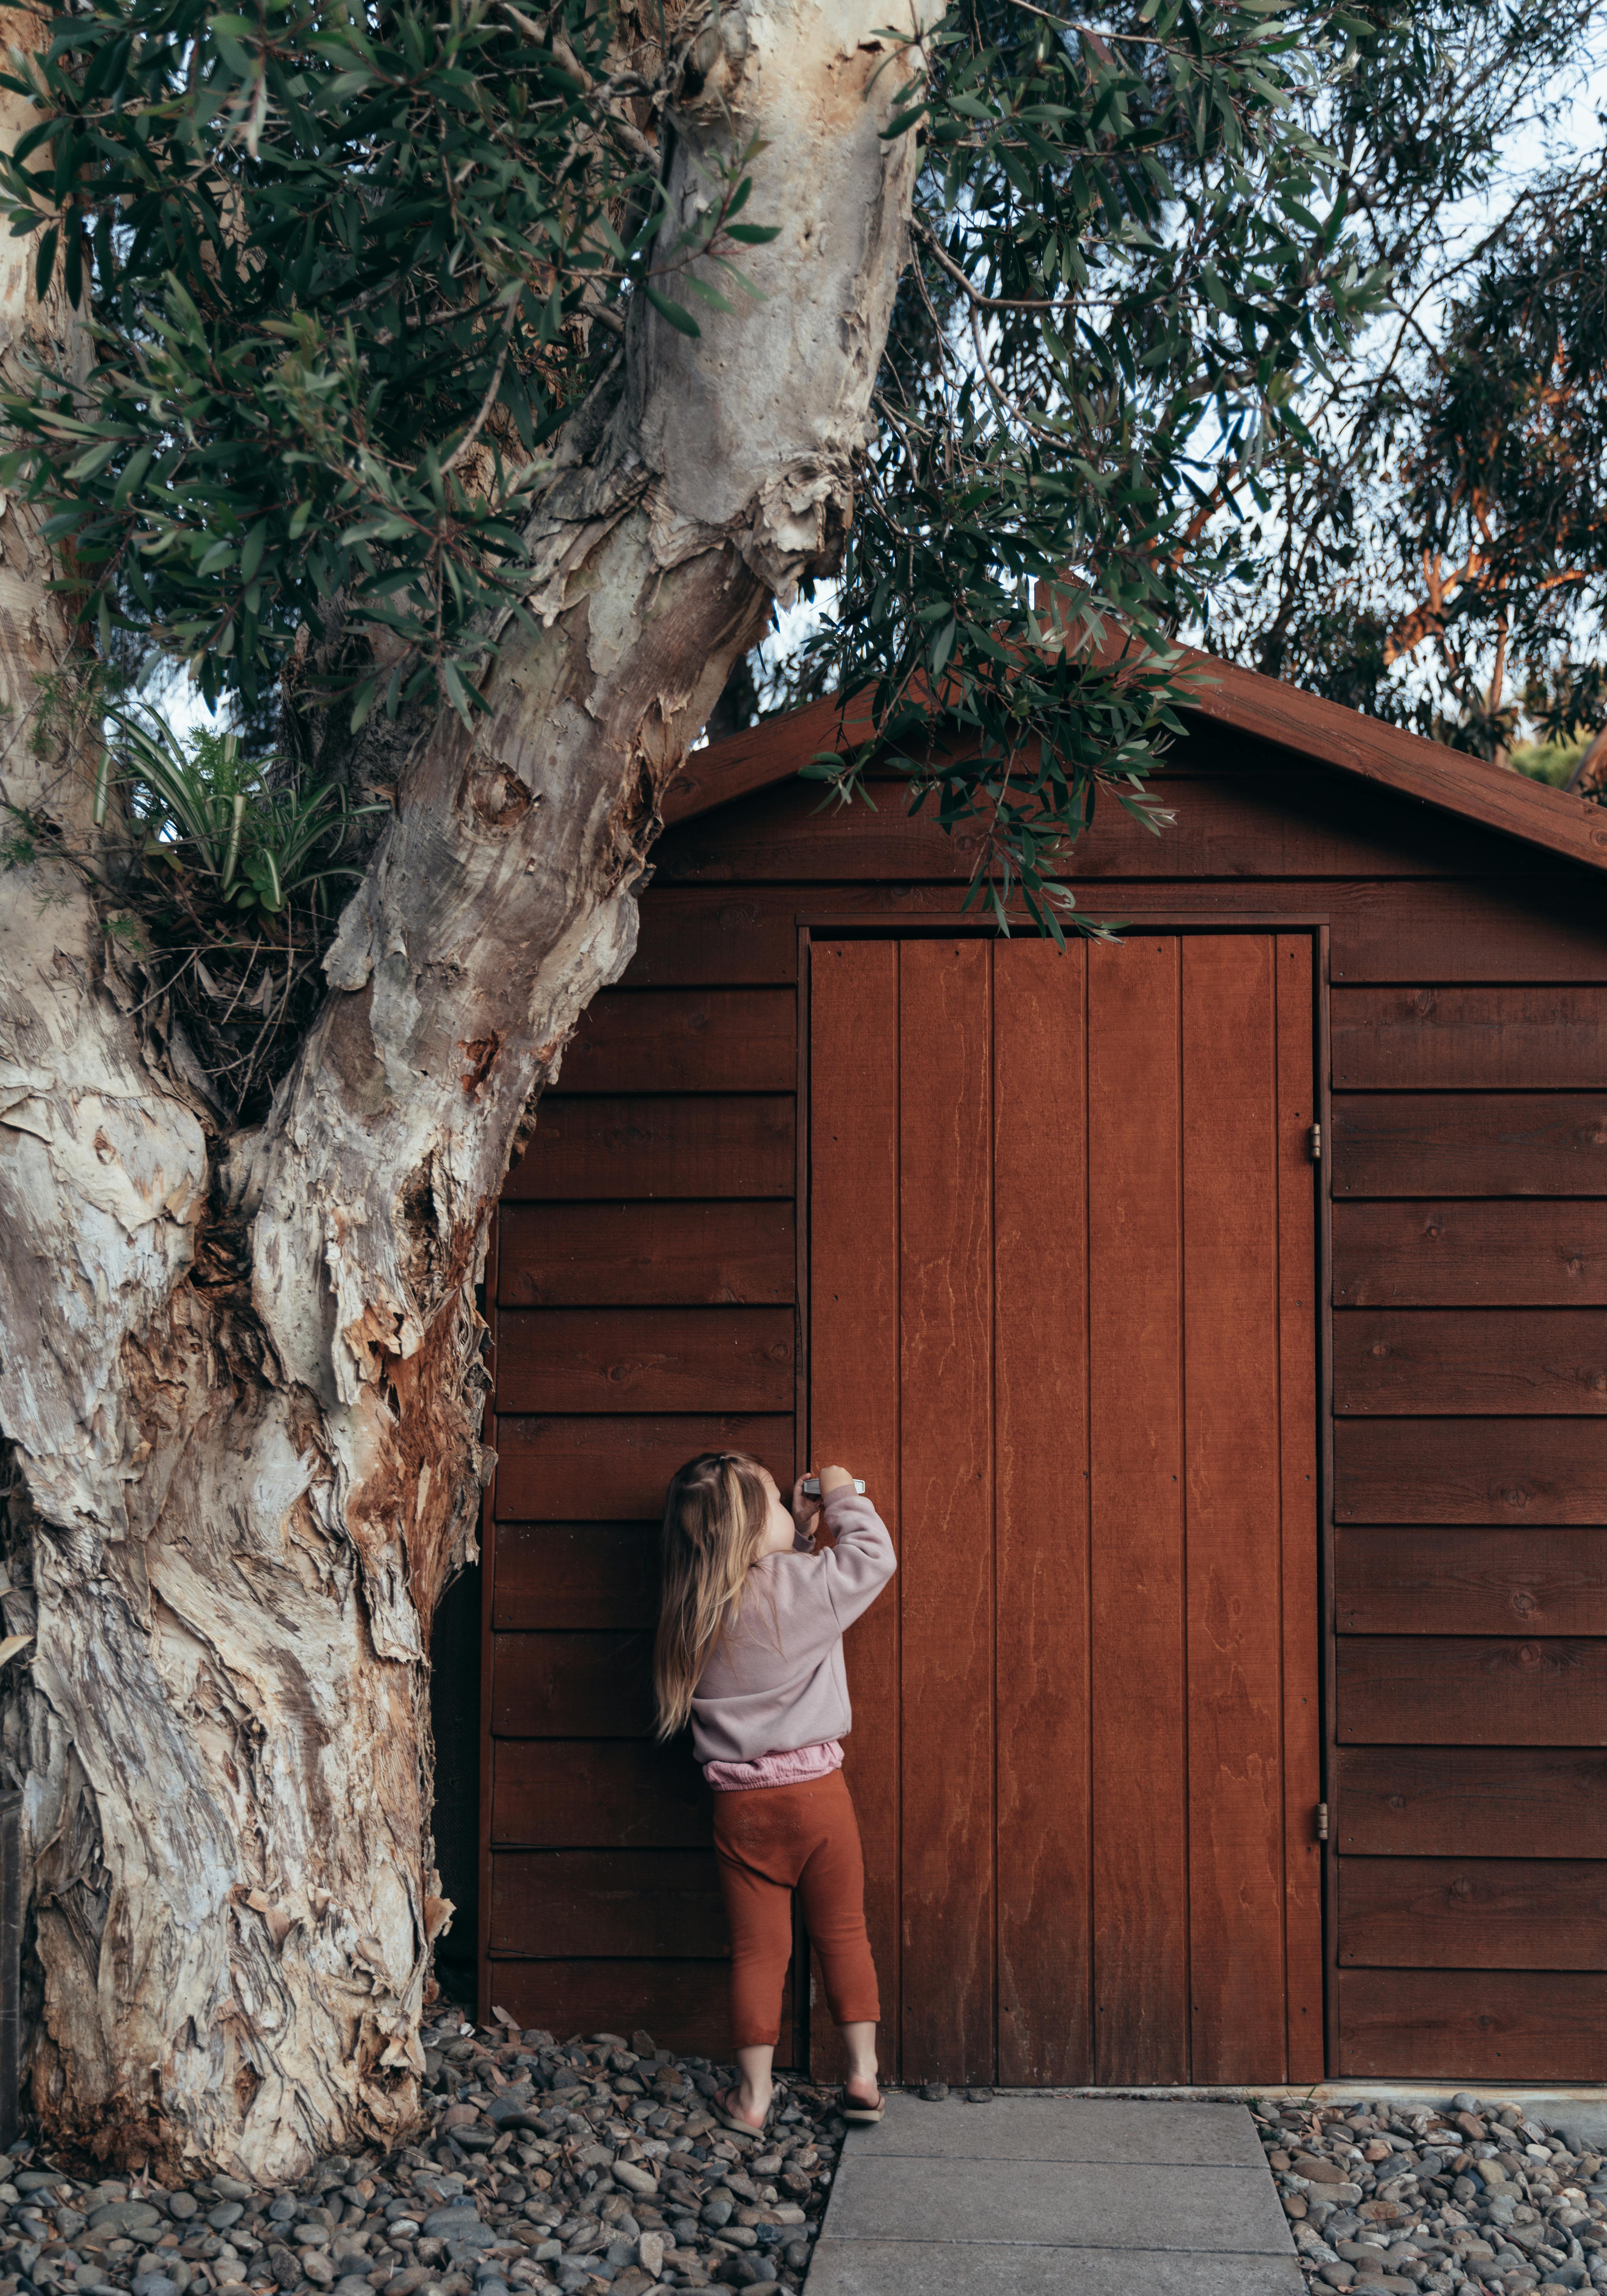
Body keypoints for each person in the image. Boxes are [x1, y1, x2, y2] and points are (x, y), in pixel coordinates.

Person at [653, 1452, 896, 2138]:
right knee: (843, 1933)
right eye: (779, 1506)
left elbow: (781, 1593)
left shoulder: (691, 1604)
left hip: (741, 1812)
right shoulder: (803, 1588)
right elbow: (870, 1561)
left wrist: (804, 1533)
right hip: (818, 1799)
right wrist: (843, 1495)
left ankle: (754, 2097)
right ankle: (861, 2076)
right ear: (758, 1529)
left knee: (759, 1952)